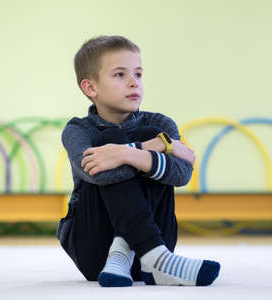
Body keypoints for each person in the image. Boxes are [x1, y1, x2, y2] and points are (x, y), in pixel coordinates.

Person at [57, 35, 220, 287]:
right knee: (108, 139)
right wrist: (150, 148)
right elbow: (98, 173)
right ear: (91, 88)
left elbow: (182, 174)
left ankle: (149, 257)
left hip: (158, 238)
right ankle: (145, 256)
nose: (134, 83)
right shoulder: (78, 130)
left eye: (139, 74)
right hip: (95, 251)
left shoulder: (160, 125)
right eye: (120, 75)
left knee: (141, 135)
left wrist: (127, 153)